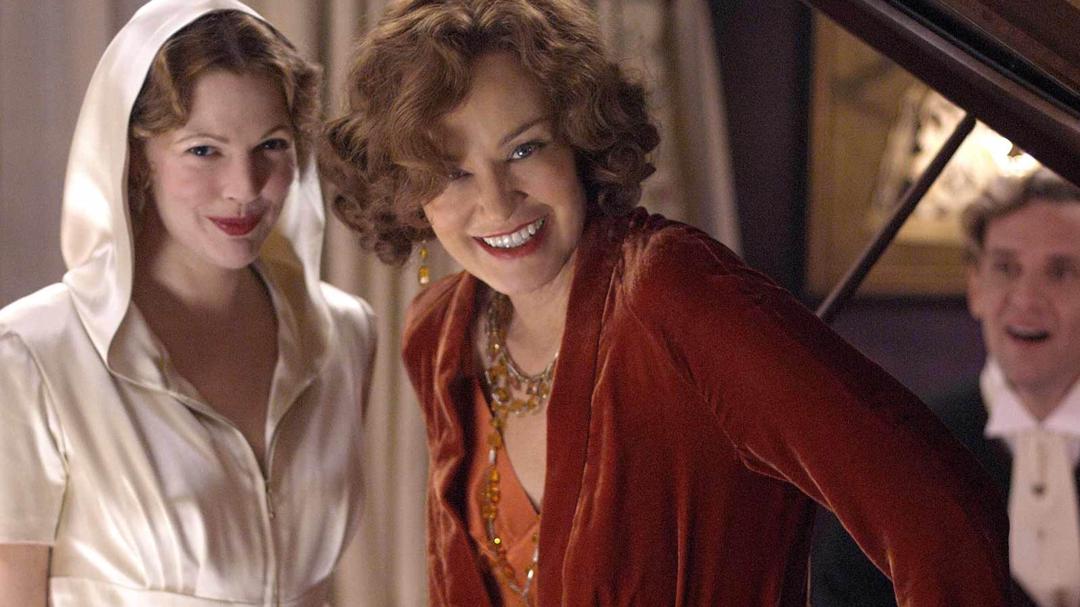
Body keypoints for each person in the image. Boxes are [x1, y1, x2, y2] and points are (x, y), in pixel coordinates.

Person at [323, 0, 1011, 604]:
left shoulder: (671, 291)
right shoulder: (438, 332)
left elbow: (941, 518)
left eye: (525, 148)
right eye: (452, 172)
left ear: (580, 139)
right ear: (408, 190)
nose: (498, 202)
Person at [0, 1, 376, 605]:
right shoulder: (30, 356)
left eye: (272, 145)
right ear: (136, 158)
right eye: (204, 150)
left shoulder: (346, 336)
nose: (244, 187)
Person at [812, 167, 1080, 607]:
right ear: (975, 286)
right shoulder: (903, 448)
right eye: (1006, 268)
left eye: (1061, 271)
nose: (1027, 298)